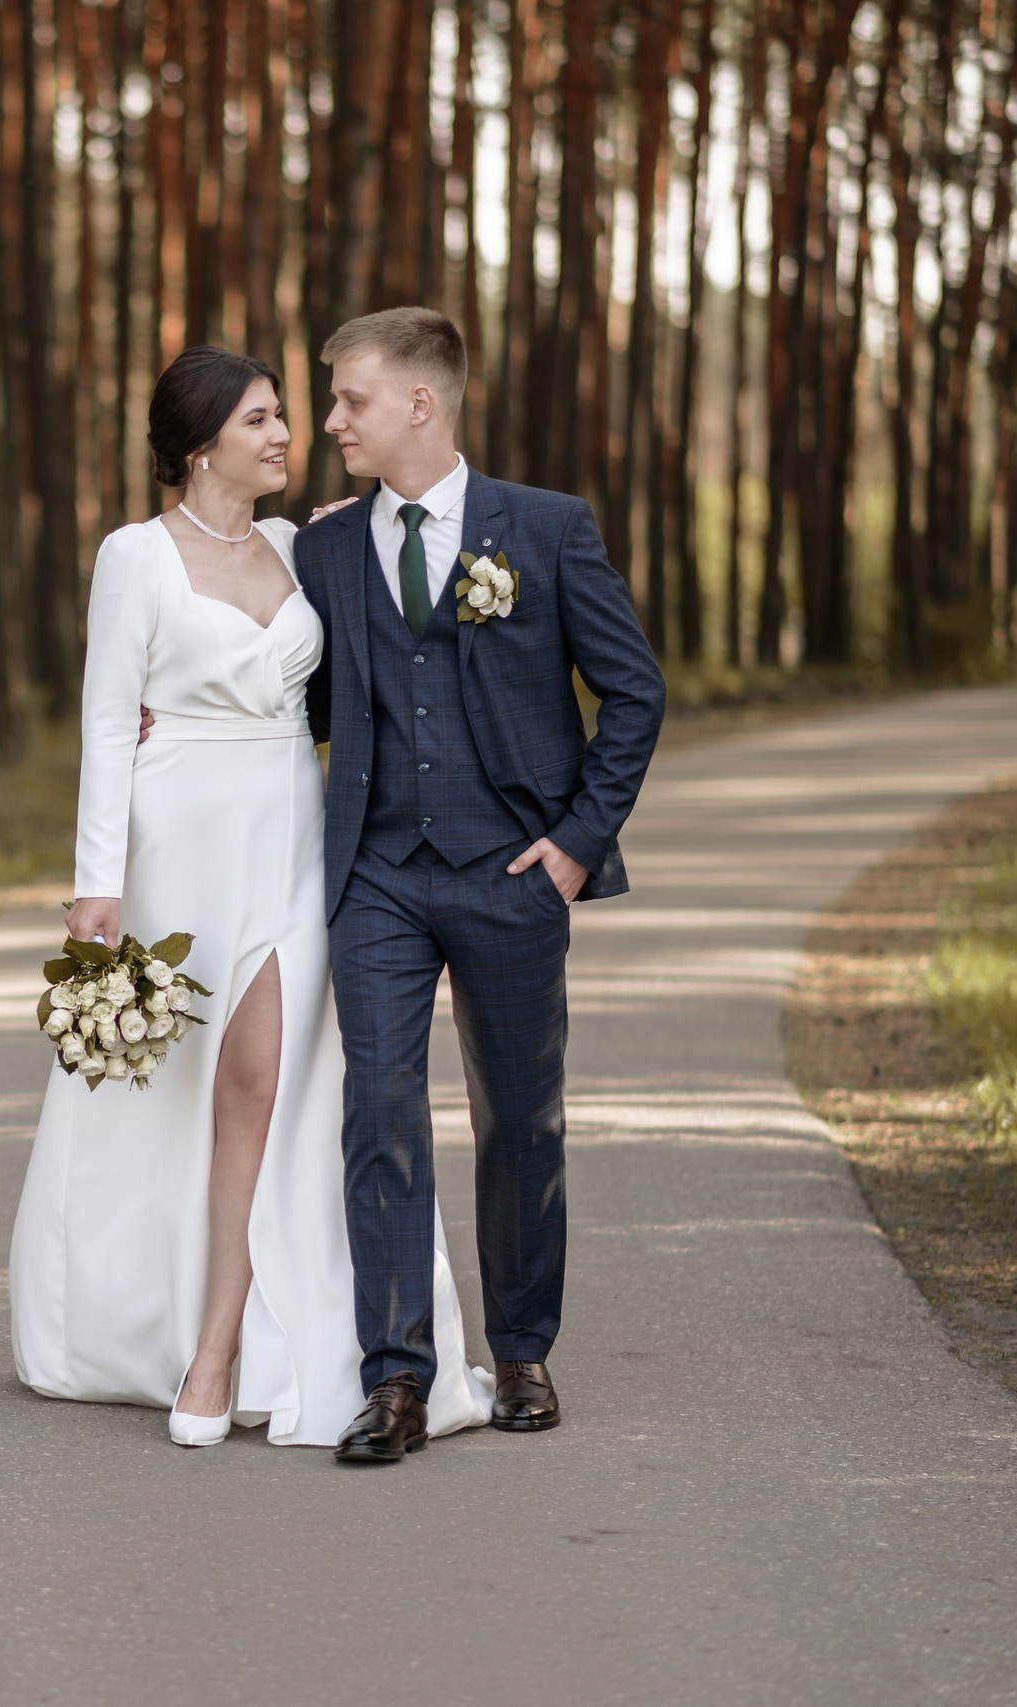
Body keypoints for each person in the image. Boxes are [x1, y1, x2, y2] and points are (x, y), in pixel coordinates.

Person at [9, 346, 498, 1449]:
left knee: (263, 1077)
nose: (286, 434)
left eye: (284, 414)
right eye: (260, 420)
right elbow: (106, 721)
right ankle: (138, 1313)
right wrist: (97, 886)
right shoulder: (134, 556)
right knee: (172, 1087)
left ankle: (220, 1342)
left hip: (294, 830)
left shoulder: (299, 546)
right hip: (177, 837)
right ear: (199, 446)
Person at [292, 306, 665, 1462]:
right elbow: (303, 704)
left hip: (512, 873)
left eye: (349, 399)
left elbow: (633, 692)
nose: (331, 420)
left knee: (520, 1118)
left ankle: (519, 1351)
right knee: (379, 1115)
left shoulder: (544, 528)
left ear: (421, 403)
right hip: (377, 876)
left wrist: (574, 844)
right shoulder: (325, 548)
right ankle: (397, 1379)